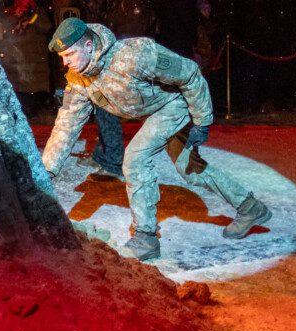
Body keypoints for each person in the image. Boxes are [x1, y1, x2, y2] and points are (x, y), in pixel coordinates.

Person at [42, 17, 272, 261]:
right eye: (62, 56)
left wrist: (202, 120)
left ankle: (146, 238)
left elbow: (190, 73)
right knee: (189, 169)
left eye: (69, 54)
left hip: (174, 105)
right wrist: (46, 171)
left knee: (134, 159)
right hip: (152, 113)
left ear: (88, 46)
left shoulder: (135, 55)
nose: (65, 62)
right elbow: (66, 125)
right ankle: (250, 207)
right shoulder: (78, 78)